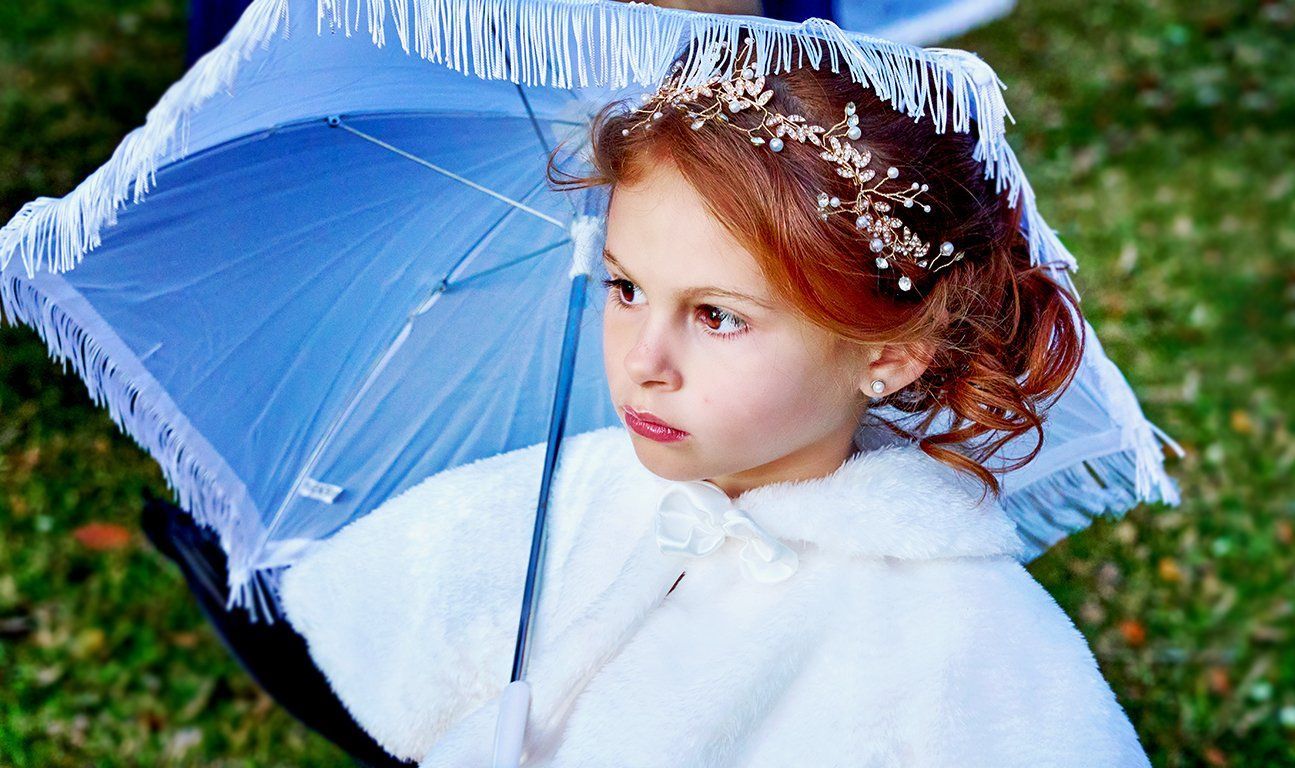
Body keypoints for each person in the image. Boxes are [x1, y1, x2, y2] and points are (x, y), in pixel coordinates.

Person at [277, 35, 1152, 767]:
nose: (643, 362)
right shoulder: (571, 495)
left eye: (717, 316)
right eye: (626, 288)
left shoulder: (959, 637)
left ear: (886, 356)